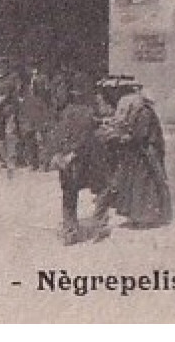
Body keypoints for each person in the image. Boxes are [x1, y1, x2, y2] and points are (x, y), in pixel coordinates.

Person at [97, 76, 172, 229]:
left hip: (146, 153)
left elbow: (141, 135)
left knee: (144, 185)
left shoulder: (144, 112)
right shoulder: (138, 111)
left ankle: (146, 217)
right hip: (140, 152)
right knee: (136, 184)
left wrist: (125, 137)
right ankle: (139, 216)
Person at [52, 82, 109, 244]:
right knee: (103, 188)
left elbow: (57, 135)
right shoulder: (89, 113)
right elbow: (86, 138)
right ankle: (99, 226)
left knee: (69, 195)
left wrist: (59, 154)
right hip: (85, 160)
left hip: (66, 161)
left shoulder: (64, 113)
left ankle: (70, 231)